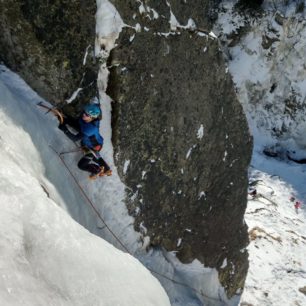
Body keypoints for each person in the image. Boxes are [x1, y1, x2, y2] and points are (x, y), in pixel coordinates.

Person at [58, 103, 112, 179]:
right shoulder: (87, 120)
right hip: (92, 143)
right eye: (84, 112)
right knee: (94, 157)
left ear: (92, 117)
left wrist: (65, 129)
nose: (84, 114)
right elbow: (77, 123)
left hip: (93, 147)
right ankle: (106, 169)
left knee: (81, 165)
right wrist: (65, 119)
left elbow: (75, 138)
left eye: (87, 114)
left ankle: (97, 170)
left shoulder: (89, 129)